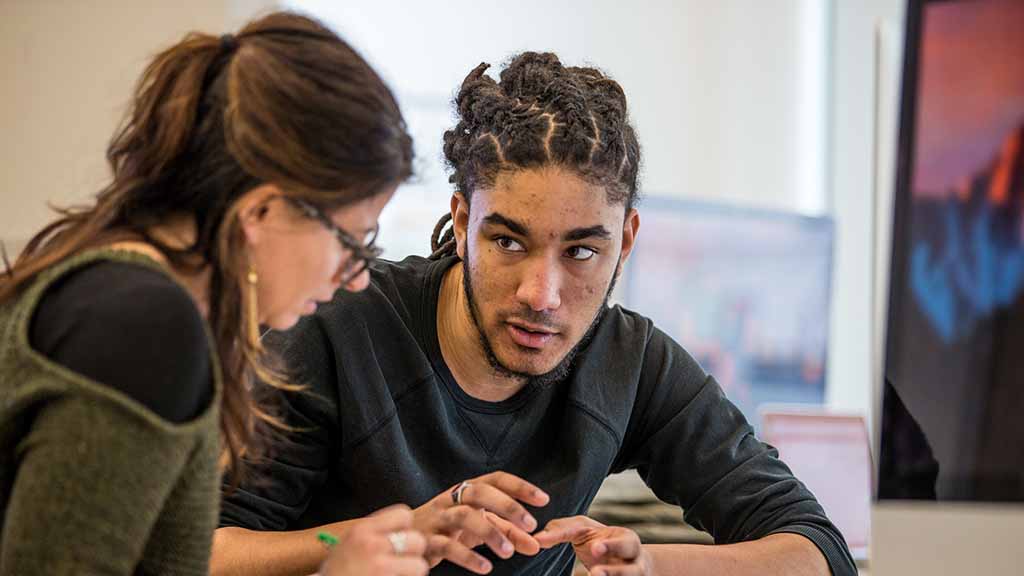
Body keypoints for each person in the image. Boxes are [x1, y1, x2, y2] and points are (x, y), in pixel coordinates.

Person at [214, 52, 858, 576]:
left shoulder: (631, 364)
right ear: (463, 221)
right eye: (508, 241)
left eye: (581, 250)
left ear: (625, 242)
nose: (542, 295)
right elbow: (201, 551)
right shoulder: (338, 324)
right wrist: (394, 536)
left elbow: (818, 552)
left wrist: (653, 566)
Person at [0, 11, 428, 576]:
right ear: (262, 211)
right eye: (353, 242)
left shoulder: (121, 286)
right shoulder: (142, 327)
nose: (357, 278)